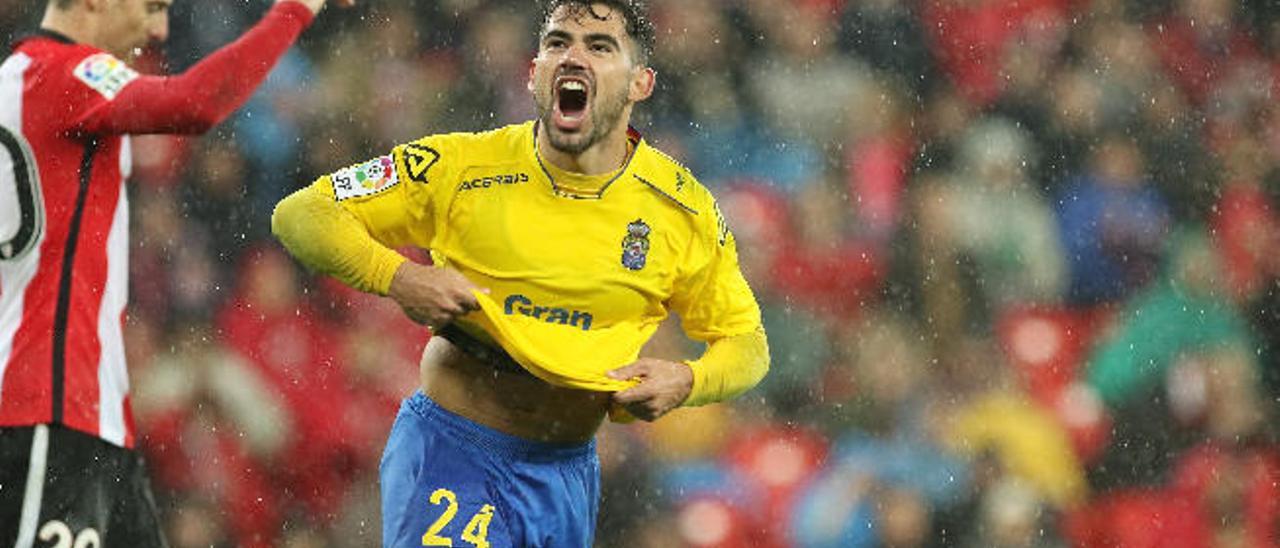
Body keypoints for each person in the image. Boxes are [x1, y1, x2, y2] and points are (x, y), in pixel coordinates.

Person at [271, 1, 770, 545]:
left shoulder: (683, 210)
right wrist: (399, 277)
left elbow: (747, 344)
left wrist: (689, 381)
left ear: (640, 83)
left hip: (567, 473)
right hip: (455, 454)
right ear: (534, 73)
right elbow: (302, 212)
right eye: (557, 44)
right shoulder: (457, 166)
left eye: (599, 47)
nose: (572, 57)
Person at [0, 0, 350, 546]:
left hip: (89, 415)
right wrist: (296, 10)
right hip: (50, 406)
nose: (160, 28)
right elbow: (195, 103)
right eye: (153, 6)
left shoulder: (18, 81)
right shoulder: (65, 72)